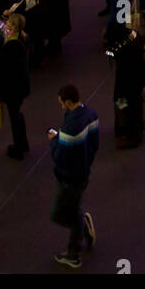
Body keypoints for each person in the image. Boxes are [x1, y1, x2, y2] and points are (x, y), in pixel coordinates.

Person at [50, 84, 99, 268]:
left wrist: (54, 140)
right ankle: (80, 228)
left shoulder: (71, 127)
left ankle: (74, 252)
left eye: (62, 103)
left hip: (69, 178)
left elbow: (59, 157)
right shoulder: (91, 115)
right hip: (84, 173)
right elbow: (94, 145)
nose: (61, 107)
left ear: (68, 102)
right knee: (73, 206)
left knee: (58, 214)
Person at [108, 27, 145, 149]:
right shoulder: (136, 38)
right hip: (136, 78)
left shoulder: (124, 47)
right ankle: (133, 127)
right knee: (133, 102)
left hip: (127, 81)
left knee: (125, 104)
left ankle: (129, 132)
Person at [0, 12, 30, 159]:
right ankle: (23, 143)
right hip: (21, 85)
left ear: (13, 26)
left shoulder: (10, 45)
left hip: (12, 88)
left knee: (14, 117)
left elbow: (2, 67)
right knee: (18, 114)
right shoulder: (24, 40)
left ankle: (18, 147)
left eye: (9, 23)